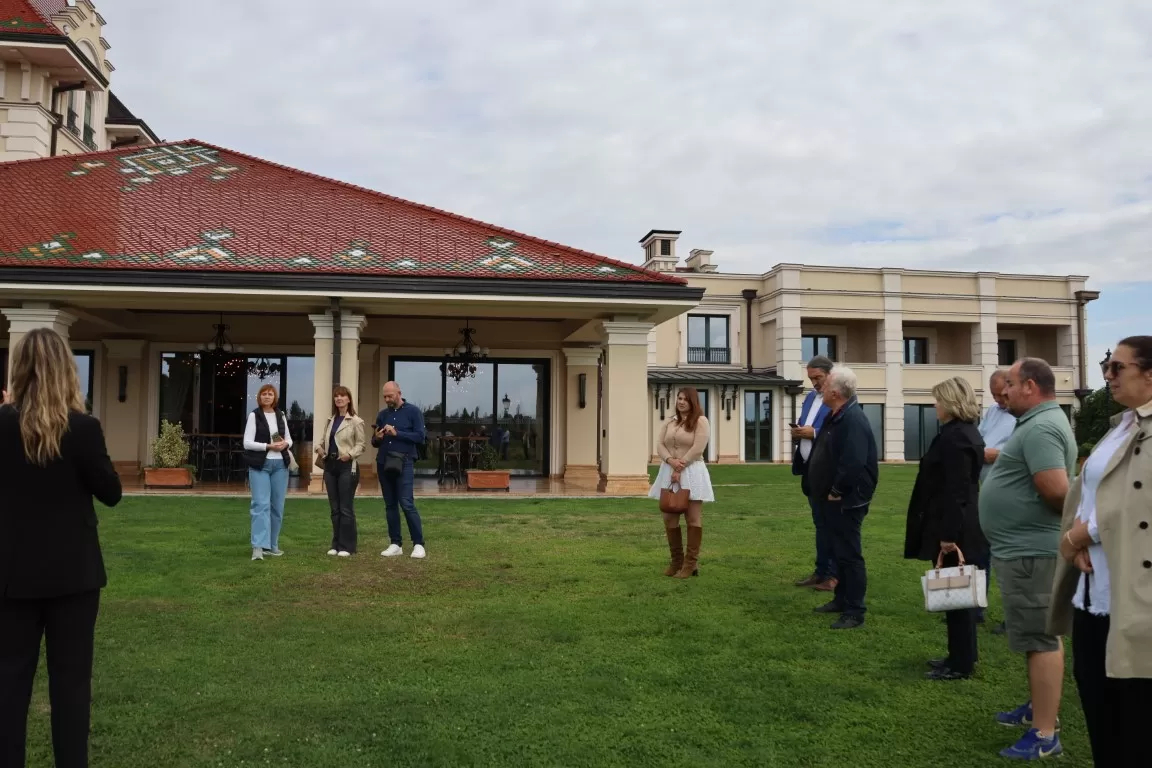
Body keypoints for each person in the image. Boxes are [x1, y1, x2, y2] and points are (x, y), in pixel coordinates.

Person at [0, 327, 122, 767]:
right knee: (71, 685)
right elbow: (111, 492)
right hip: (74, 575)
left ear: (19, 370)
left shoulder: (1, 424)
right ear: (66, 370)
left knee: (8, 682)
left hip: (11, 573)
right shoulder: (83, 428)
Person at [1050, 336, 1152, 767]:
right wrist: (1076, 542)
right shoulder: (1121, 425)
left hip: (1136, 600)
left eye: (1117, 367)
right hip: (1093, 595)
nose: (1107, 375)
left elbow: (1138, 504)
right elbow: (1090, 495)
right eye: (1107, 367)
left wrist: (1079, 536)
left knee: (1136, 722)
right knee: (1100, 710)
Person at [978, 357, 1075, 760]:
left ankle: (1044, 733)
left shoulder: (1041, 427)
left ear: (1030, 386)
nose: (1005, 392)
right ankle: (1039, 708)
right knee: (1039, 635)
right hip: (1023, 549)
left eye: (1011, 384)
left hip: (1032, 551)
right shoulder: (1036, 423)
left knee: (1040, 639)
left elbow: (1057, 491)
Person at [904, 376, 987, 679]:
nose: (935, 405)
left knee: (958, 595)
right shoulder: (963, 433)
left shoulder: (956, 439)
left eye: (938, 400)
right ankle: (959, 655)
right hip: (959, 520)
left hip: (955, 525)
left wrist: (949, 535)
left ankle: (960, 663)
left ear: (951, 402)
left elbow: (957, 491)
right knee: (956, 595)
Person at [805, 365, 879, 629]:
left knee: (849, 554)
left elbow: (853, 462)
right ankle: (841, 599)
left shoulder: (852, 419)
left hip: (847, 500)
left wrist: (837, 491)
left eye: (825, 386)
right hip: (831, 498)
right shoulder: (836, 415)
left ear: (835, 393)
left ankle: (855, 610)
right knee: (839, 552)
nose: (821, 389)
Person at [649, 388, 714, 578]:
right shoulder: (670, 421)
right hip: (669, 470)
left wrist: (680, 466)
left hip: (691, 471)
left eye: (685, 399)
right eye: (679, 398)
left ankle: (690, 564)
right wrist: (670, 461)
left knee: (692, 517)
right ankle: (676, 561)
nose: (681, 402)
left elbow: (698, 448)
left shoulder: (701, 421)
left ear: (693, 402)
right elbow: (660, 444)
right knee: (669, 516)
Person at [977, 369, 1017, 632]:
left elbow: (1025, 450)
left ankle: (1014, 616)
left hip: (1010, 494)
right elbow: (979, 436)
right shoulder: (993, 411)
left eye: (1002, 395)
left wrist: (998, 455)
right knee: (980, 551)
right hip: (985, 490)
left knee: (1009, 558)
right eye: (994, 395)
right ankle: (975, 607)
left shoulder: (1024, 414)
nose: (999, 400)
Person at [791, 356, 835, 591]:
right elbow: (804, 423)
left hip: (828, 470)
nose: (814, 383)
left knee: (831, 524)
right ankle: (821, 572)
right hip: (810, 469)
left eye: (818, 378)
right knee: (820, 523)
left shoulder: (838, 398)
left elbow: (838, 432)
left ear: (830, 374)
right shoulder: (809, 398)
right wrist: (798, 431)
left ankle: (833, 575)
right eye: (811, 378)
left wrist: (814, 433)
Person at [372, 381, 427, 559]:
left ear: (399, 393)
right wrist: (378, 437)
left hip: (405, 462)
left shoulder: (413, 412)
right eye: (385, 397)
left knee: (406, 503)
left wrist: (397, 433)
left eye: (390, 396)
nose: (387, 399)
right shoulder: (382, 415)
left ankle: (418, 544)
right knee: (390, 505)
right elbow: (374, 442)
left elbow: (420, 437)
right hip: (383, 462)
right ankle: (395, 544)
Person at [242, 384, 293, 561]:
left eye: (270, 394)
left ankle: (272, 545)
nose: (267, 396)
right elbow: (247, 443)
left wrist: (285, 444)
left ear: (274, 397)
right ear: (259, 397)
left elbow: (289, 439)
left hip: (280, 465)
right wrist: (268, 446)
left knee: (277, 507)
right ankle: (258, 547)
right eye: (264, 394)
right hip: (260, 465)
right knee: (260, 505)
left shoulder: (281, 415)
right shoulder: (254, 415)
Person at [315, 385, 366, 557]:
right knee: (334, 508)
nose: (339, 398)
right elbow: (323, 440)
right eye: (336, 396)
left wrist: (349, 455)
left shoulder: (356, 421)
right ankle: (336, 544)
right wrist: (319, 448)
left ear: (348, 399)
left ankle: (347, 546)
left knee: (345, 508)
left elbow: (361, 445)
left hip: (347, 467)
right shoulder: (330, 420)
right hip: (330, 466)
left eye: (342, 396)